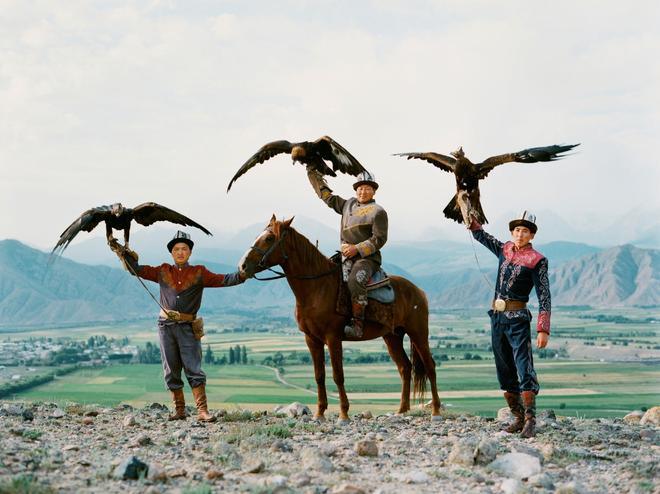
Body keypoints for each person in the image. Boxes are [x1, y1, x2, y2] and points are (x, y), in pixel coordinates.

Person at [111, 231, 246, 422]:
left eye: (184, 249)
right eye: (176, 249)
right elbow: (137, 270)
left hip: (187, 326)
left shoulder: (200, 272)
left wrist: (243, 274)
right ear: (171, 253)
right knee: (171, 368)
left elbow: (224, 279)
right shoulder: (162, 271)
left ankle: (202, 411)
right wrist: (122, 253)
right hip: (165, 326)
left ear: (190, 252)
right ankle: (179, 410)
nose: (180, 252)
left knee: (193, 367)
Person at [469, 211, 551, 438]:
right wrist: (470, 220)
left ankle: (530, 420)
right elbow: (482, 237)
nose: (520, 234)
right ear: (512, 233)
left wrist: (543, 328)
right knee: (504, 369)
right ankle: (517, 416)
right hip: (497, 318)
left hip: (518, 320)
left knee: (524, 367)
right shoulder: (504, 249)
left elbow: (545, 295)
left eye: (525, 231)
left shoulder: (537, 260)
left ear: (531, 235)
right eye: (516, 230)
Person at [307, 169, 388, 338]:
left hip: (367, 259)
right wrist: (314, 176)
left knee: (354, 281)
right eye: (360, 188)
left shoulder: (378, 211)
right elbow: (327, 197)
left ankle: (358, 324)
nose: (363, 191)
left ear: (374, 190)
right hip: (344, 256)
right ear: (355, 189)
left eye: (367, 188)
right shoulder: (347, 205)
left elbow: (379, 239)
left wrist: (356, 249)